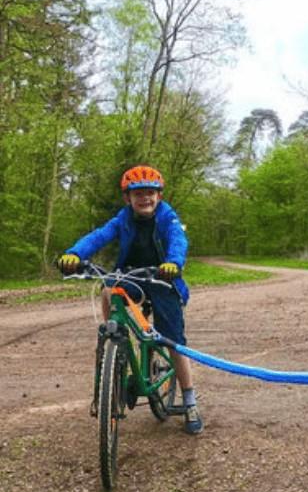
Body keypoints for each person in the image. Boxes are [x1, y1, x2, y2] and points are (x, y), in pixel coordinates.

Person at [57, 165, 204, 435]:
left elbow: (178, 241)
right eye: (138, 194)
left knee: (174, 342)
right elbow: (99, 236)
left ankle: (190, 400)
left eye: (150, 193)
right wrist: (75, 254)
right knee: (108, 290)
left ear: (159, 196)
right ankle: (114, 336)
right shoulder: (123, 219)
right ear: (128, 198)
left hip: (162, 279)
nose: (144, 198)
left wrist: (173, 263)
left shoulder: (168, 218)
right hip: (132, 276)